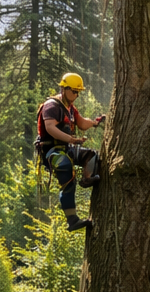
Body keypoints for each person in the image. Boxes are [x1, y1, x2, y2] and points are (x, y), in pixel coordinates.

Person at [35, 72, 104, 233]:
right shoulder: (52, 106)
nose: (76, 95)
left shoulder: (70, 108)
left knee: (91, 155)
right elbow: (50, 128)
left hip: (67, 148)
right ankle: (72, 220)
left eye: (78, 92)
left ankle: (87, 179)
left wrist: (95, 123)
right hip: (51, 151)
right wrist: (71, 140)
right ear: (64, 89)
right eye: (74, 91)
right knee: (65, 168)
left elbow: (81, 123)